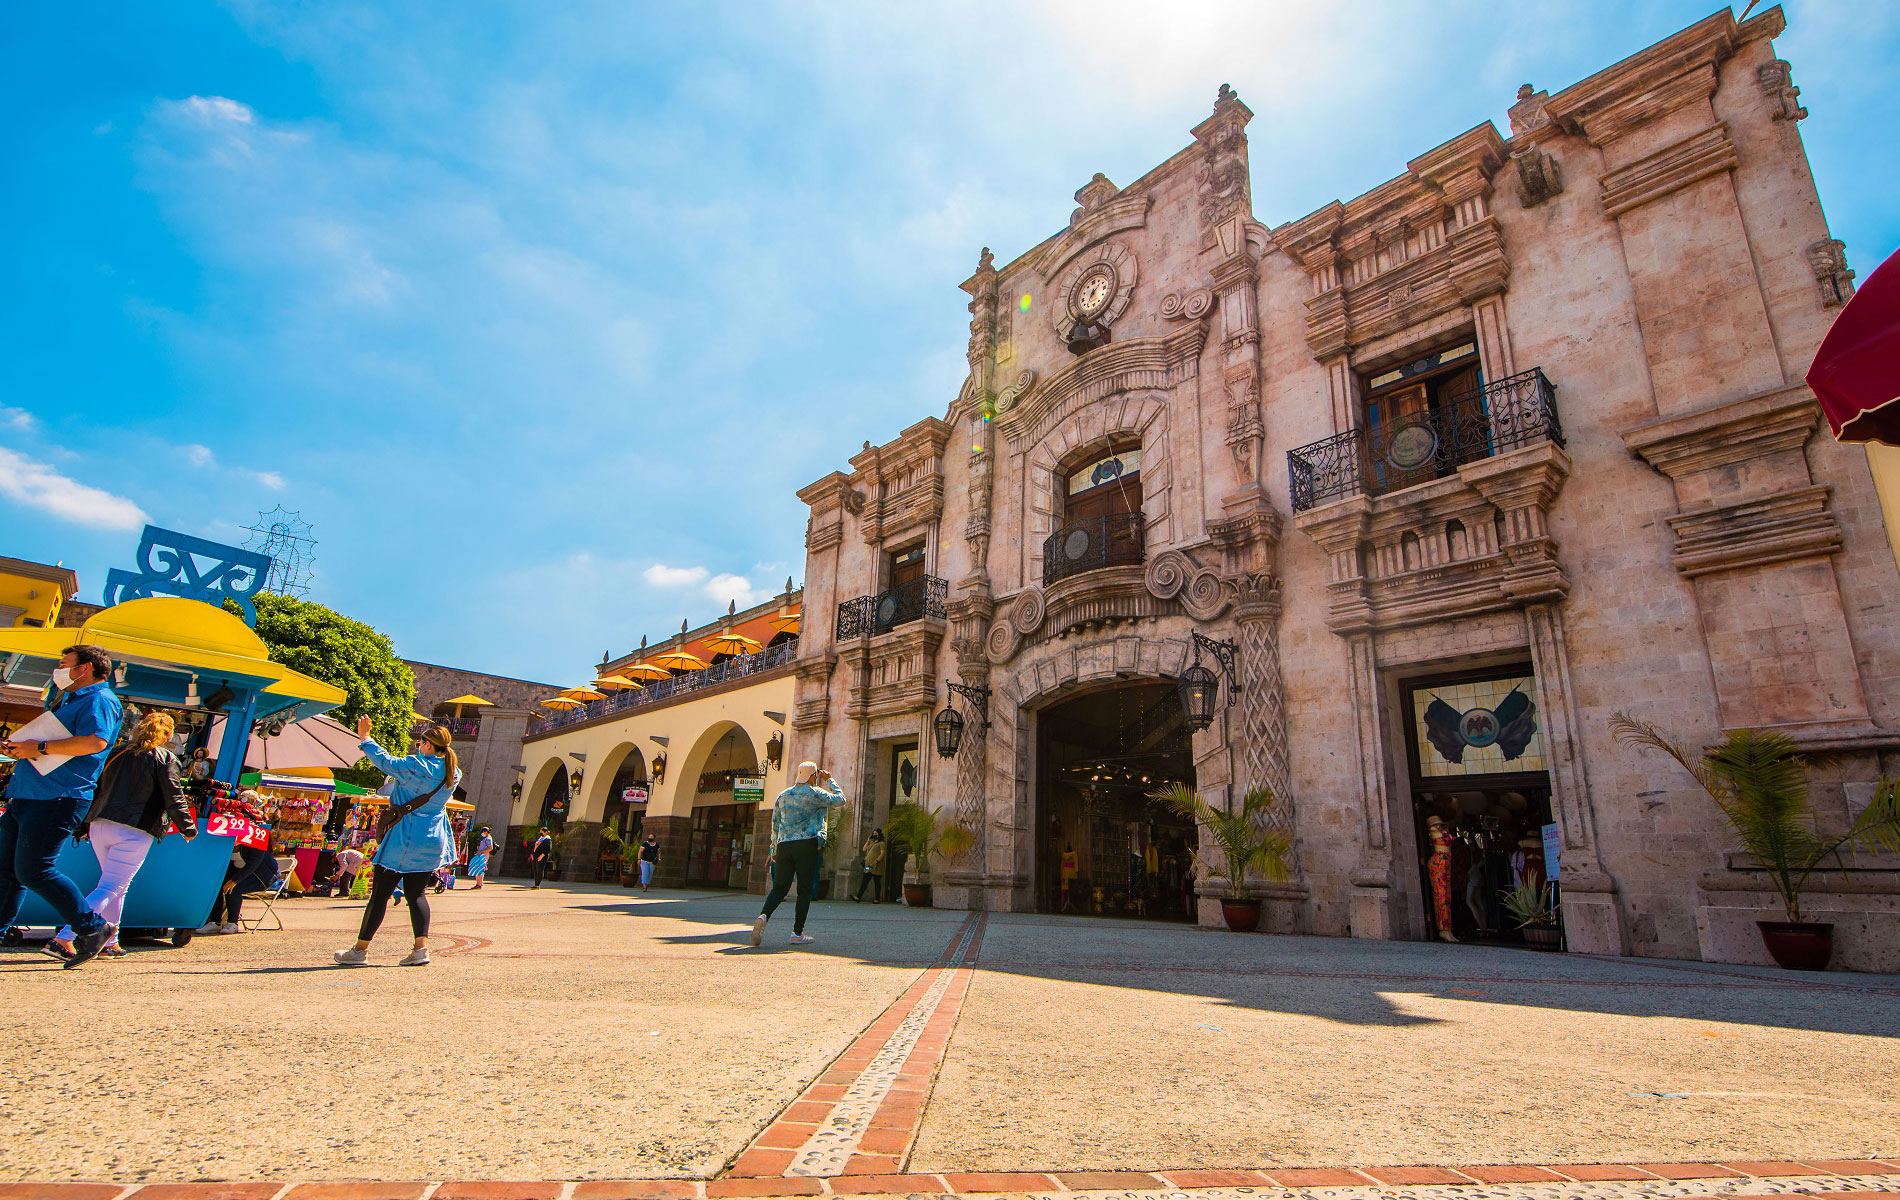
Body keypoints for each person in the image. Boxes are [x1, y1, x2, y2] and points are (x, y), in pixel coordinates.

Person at [0, 645, 125, 969]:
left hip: (58, 797)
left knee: (33, 870)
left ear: (84, 668)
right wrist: (21, 748)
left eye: (63, 664)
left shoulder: (101, 700)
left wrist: (37, 745)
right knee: (7, 872)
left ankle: (94, 929)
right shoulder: (67, 699)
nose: (58, 670)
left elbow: (95, 742)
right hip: (29, 795)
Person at [45, 712, 198, 960]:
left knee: (117, 887)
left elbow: (96, 786)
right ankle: (64, 938)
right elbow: (174, 795)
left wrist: (83, 824)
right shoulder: (165, 758)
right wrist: (188, 827)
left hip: (100, 824)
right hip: (134, 829)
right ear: (167, 735)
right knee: (110, 886)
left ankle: (111, 941)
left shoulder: (117, 752)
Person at [333, 720, 460, 967]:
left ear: (428, 744)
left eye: (420, 743)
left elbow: (385, 761)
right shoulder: (453, 771)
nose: (418, 747)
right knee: (417, 894)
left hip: (404, 836)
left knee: (380, 893)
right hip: (432, 837)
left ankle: (360, 951)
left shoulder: (415, 765)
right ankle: (420, 949)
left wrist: (365, 737)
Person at [751, 761, 847, 947]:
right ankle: (797, 932)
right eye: (815, 775)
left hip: (784, 846)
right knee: (804, 890)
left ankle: (763, 915)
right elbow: (840, 799)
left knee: (779, 887)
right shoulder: (815, 794)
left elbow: (775, 824)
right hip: (806, 845)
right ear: (812, 776)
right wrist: (829, 780)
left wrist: (773, 849)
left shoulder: (783, 796)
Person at [853, 828, 886, 903]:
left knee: (877, 882)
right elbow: (864, 849)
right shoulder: (872, 842)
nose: (874, 835)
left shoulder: (881, 843)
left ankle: (877, 899)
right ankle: (858, 897)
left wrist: (877, 860)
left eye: (876, 834)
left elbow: (882, 853)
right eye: (873, 833)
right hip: (868, 866)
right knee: (865, 880)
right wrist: (868, 841)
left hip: (877, 866)